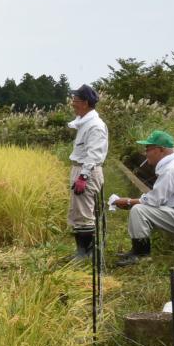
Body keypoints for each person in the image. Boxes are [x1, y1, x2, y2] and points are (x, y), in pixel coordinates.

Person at [112, 130, 174, 266]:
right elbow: (157, 198)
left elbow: (154, 200)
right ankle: (137, 251)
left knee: (139, 210)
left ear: (160, 150)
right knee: (141, 207)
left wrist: (128, 201)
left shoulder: (171, 169)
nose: (146, 153)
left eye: (148, 149)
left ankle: (141, 254)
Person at [66, 85, 108, 262]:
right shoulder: (84, 122)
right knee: (77, 211)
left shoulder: (95, 126)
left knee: (84, 213)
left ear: (85, 103)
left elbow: (94, 154)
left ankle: (86, 254)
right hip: (80, 168)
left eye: (75, 100)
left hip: (87, 171)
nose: (72, 103)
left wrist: (83, 177)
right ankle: (83, 252)